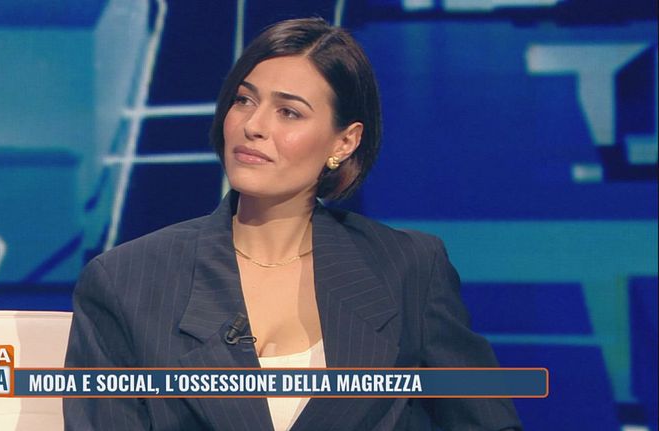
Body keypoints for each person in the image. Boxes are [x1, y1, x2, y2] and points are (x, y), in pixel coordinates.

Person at [64, 17, 522, 431]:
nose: (253, 125)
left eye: (289, 112)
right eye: (244, 100)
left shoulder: (409, 269)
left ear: (344, 143)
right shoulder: (127, 281)